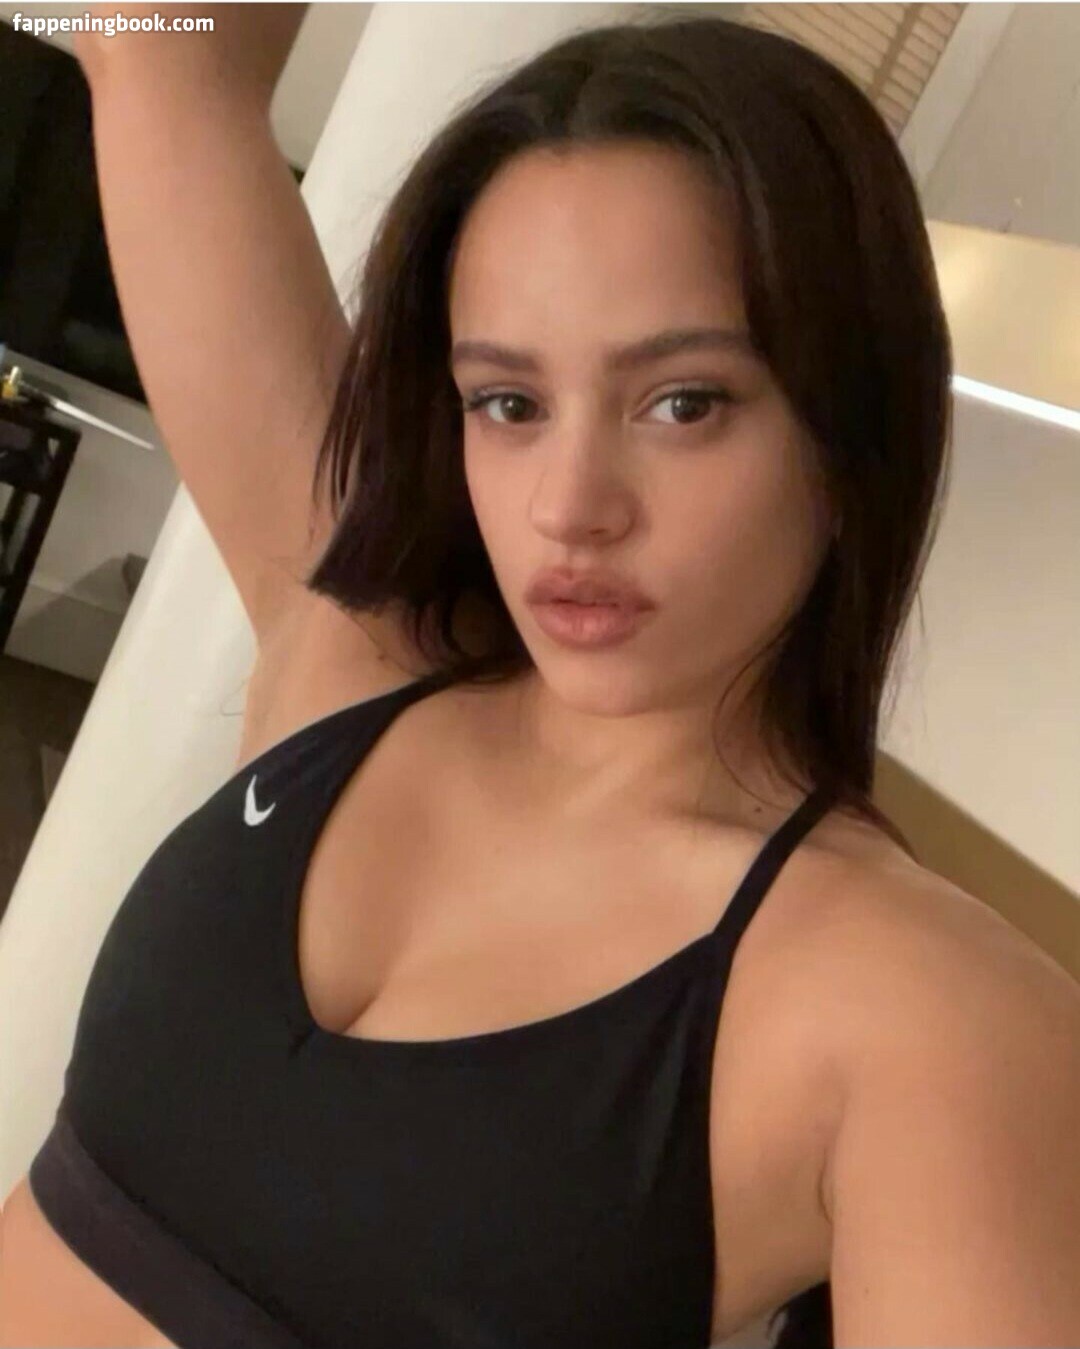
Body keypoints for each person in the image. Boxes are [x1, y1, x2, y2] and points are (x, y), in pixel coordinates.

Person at [2, 6, 1078, 1348]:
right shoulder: (363, 659)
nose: (569, 508)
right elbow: (149, 41)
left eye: (683, 403)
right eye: (508, 403)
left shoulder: (928, 1014)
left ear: (851, 427)